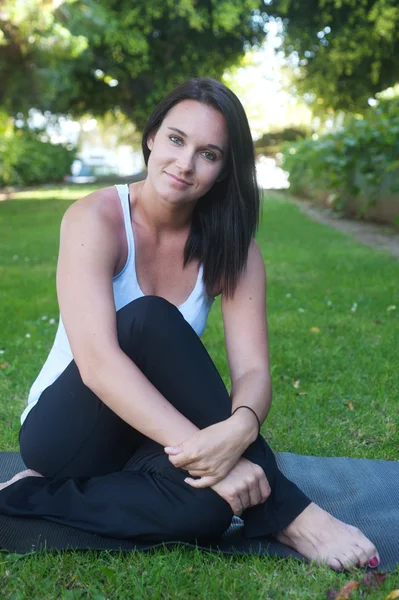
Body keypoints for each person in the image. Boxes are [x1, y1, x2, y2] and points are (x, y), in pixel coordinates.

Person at [0, 78, 379, 571]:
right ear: (153, 136)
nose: (185, 163)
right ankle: (291, 512)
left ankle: (30, 494)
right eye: (177, 140)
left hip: (146, 436)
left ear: (224, 170)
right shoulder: (96, 218)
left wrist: (239, 431)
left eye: (209, 153)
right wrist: (206, 453)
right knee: (150, 319)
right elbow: (96, 364)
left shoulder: (234, 248)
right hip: (67, 431)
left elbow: (253, 373)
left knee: (212, 509)